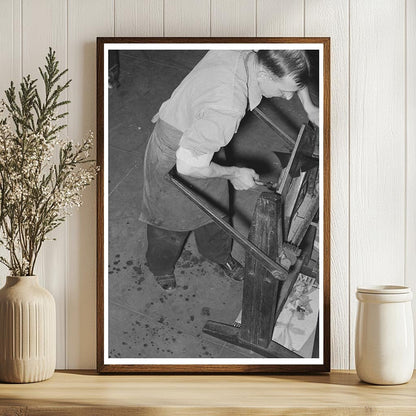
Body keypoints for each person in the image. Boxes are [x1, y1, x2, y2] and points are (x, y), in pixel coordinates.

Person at [140, 49, 319, 291]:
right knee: (170, 224)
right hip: (174, 153)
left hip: (204, 140)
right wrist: (233, 173)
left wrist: (309, 107)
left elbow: (292, 68)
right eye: (283, 89)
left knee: (217, 210)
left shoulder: (247, 50)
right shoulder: (227, 106)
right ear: (265, 72)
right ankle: (161, 266)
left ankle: (219, 255)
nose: (288, 97)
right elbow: (187, 165)